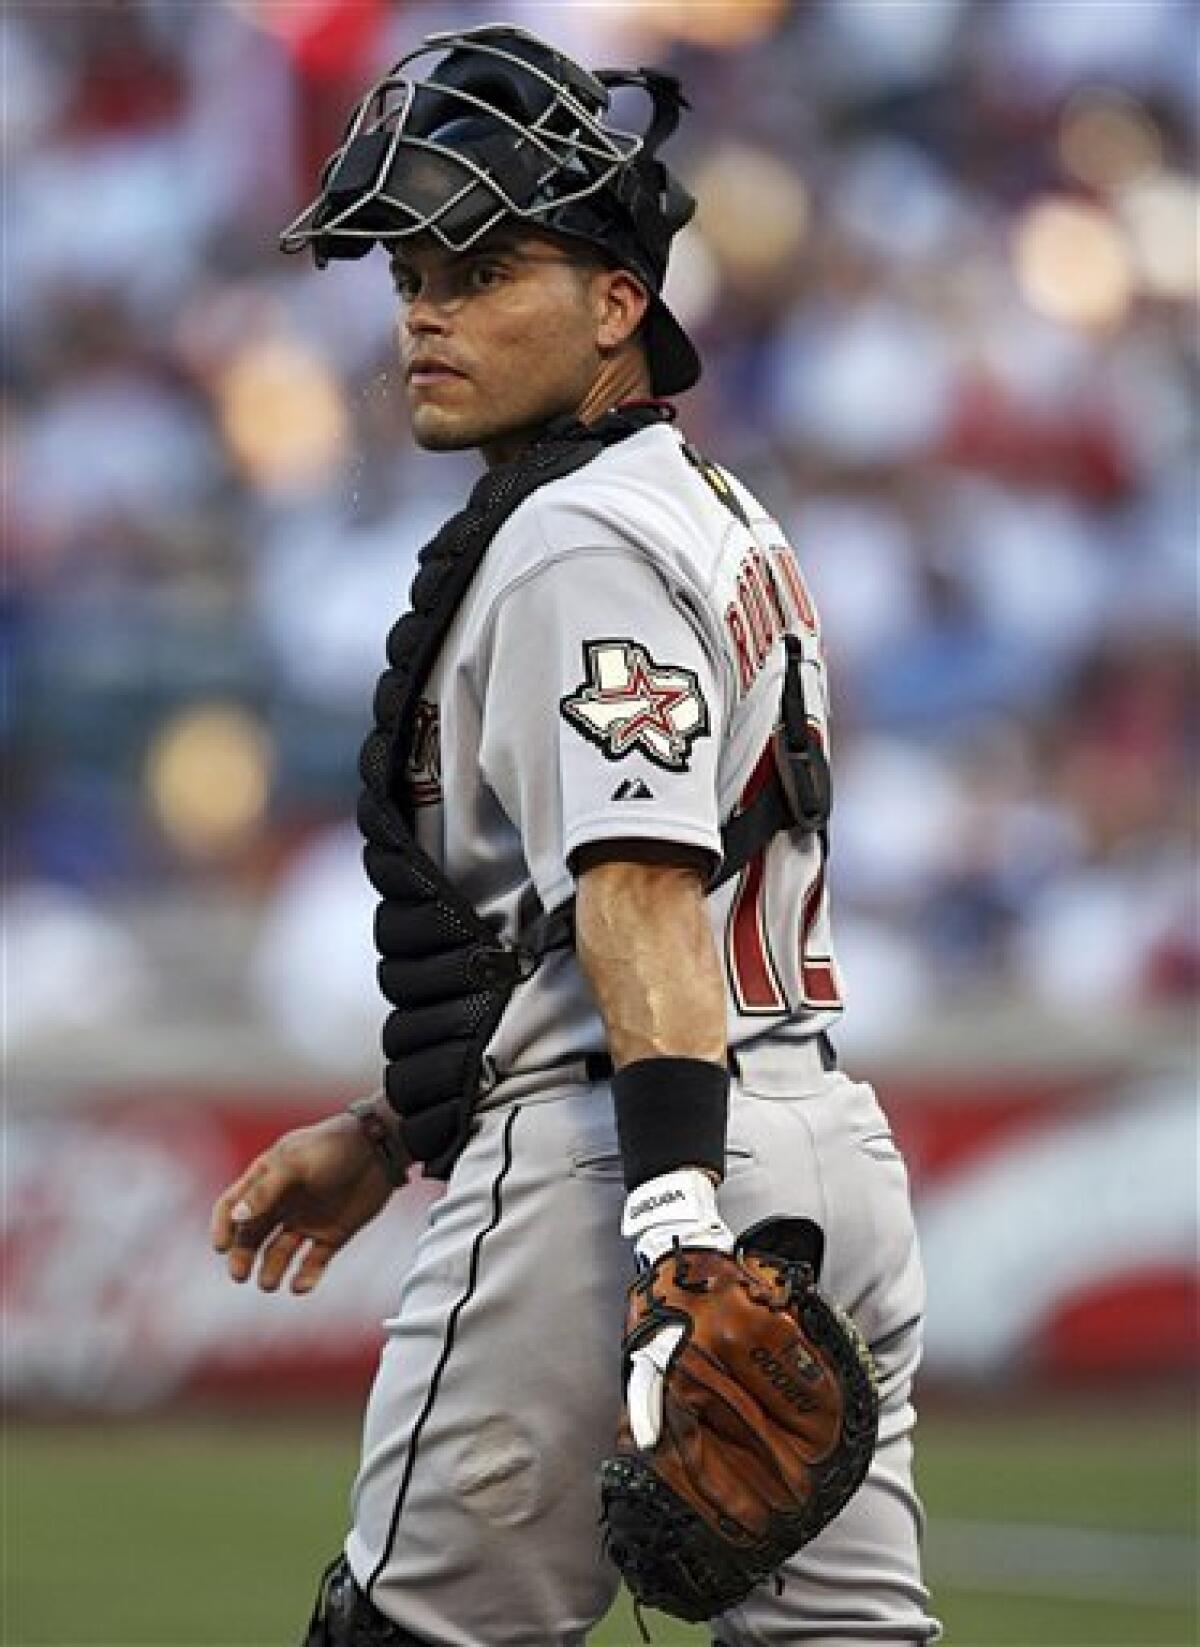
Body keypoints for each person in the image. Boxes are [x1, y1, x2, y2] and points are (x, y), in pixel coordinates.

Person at [211, 26, 938, 1647]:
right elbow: (608, 910)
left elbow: (637, 884)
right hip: (822, 1138)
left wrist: (676, 1225)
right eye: (411, 268)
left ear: (620, 303)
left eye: (479, 265)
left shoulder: (574, 539)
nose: (425, 307)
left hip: (621, 1158)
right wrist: (397, 1128)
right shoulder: (717, 511)